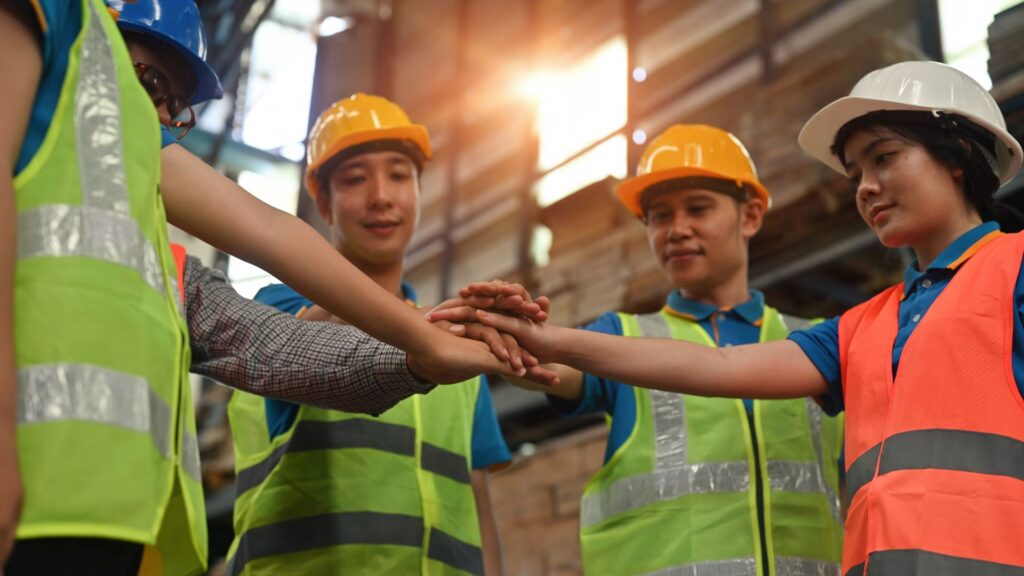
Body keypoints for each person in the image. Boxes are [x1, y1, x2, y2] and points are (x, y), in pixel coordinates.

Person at [0, 1, 535, 574]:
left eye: (172, 108)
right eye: (146, 82)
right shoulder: (54, 37)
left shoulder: (166, 266)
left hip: (113, 530)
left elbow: (275, 347)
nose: (153, 119)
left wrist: (420, 354)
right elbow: (265, 231)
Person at [443, 60, 1024, 575]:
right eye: (854, 175)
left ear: (959, 156)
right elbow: (717, 367)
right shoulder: (861, 328)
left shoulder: (1012, 267)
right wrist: (535, 336)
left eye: (885, 158)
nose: (866, 188)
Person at [440, 125, 844, 575]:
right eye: (659, 216)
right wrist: (505, 331)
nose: (676, 230)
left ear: (750, 216)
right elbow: (548, 364)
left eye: (698, 208)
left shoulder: (819, 347)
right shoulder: (620, 339)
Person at [225, 93, 514, 576]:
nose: (381, 196)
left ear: (419, 192)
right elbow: (310, 333)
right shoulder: (279, 310)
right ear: (324, 202)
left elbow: (477, 494)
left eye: (399, 175)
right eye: (356, 179)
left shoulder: (460, 345)